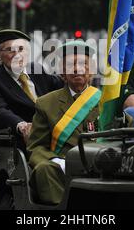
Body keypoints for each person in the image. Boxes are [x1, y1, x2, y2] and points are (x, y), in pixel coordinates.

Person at [27, 41, 102, 205]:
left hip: (102, 164)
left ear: (92, 70)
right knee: (44, 170)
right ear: (62, 72)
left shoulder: (106, 102)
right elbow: (36, 146)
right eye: (70, 64)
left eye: (83, 63)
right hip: (63, 166)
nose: (77, 69)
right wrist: (55, 161)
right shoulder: (45, 103)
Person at [0, 29, 63, 147]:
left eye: (21, 49)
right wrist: (22, 126)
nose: (17, 55)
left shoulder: (37, 70)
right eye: (10, 50)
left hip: (56, 134)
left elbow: (61, 87)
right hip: (22, 141)